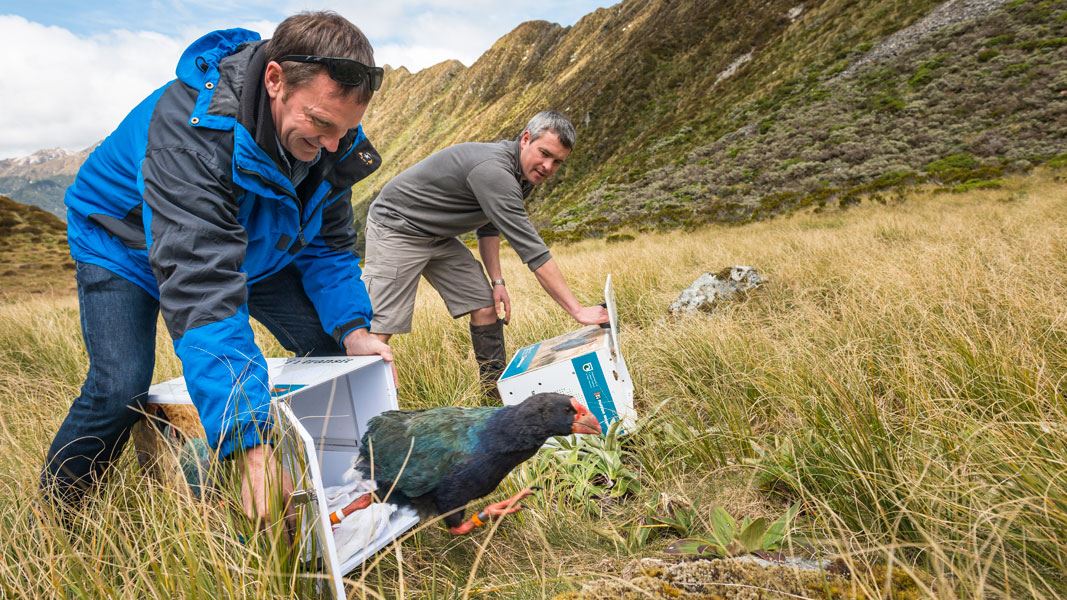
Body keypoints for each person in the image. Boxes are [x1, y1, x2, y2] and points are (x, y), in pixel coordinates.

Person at [41, 11, 392, 523]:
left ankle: (331, 490)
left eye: (346, 129)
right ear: (275, 80)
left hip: (247, 241)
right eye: (320, 124)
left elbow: (329, 247)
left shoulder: (331, 144)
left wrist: (354, 329)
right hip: (124, 245)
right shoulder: (189, 136)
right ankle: (57, 518)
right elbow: (203, 285)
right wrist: (248, 443)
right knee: (121, 386)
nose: (334, 145)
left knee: (332, 345)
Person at [363, 111, 608, 397]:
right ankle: (364, 410)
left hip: (438, 234)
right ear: (525, 139)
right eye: (544, 153)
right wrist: (577, 311)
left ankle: (494, 396)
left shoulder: (523, 176)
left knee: (484, 305)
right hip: (397, 225)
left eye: (557, 162)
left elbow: (488, 227)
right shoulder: (495, 172)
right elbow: (533, 251)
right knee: (382, 325)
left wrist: (498, 282)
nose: (547, 166)